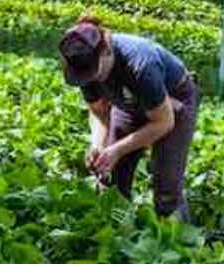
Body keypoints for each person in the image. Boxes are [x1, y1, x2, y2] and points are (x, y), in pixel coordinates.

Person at [58, 15, 199, 221]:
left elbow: (163, 122)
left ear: (106, 51)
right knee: (111, 178)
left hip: (172, 104)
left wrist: (117, 149)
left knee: (166, 187)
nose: (90, 81)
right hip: (128, 102)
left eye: (94, 75)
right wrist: (98, 144)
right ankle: (116, 232)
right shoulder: (83, 63)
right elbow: (99, 112)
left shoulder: (140, 65)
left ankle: (179, 244)